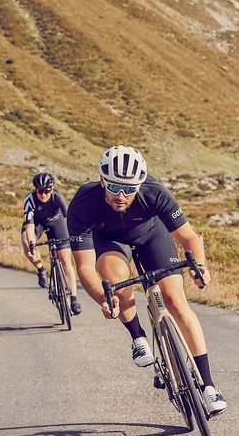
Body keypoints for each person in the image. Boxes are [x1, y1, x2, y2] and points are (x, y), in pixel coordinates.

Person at [67, 145, 226, 416]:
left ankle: (208, 386)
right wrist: (104, 299)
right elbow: (84, 266)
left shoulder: (155, 192)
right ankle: (137, 335)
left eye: (129, 189)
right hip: (111, 241)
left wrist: (200, 267)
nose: (121, 196)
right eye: (114, 187)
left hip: (152, 235)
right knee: (117, 281)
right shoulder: (83, 203)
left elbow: (189, 237)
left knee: (175, 301)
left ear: (139, 185)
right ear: (102, 180)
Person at [21, 171, 82, 316]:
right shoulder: (30, 200)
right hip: (37, 223)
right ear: (36, 190)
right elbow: (29, 227)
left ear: (52, 189)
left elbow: (67, 219)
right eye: (40, 191)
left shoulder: (58, 197)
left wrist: (71, 236)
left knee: (65, 259)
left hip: (56, 221)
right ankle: (41, 269)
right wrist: (32, 244)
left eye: (47, 191)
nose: (43, 195)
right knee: (26, 241)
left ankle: (74, 299)